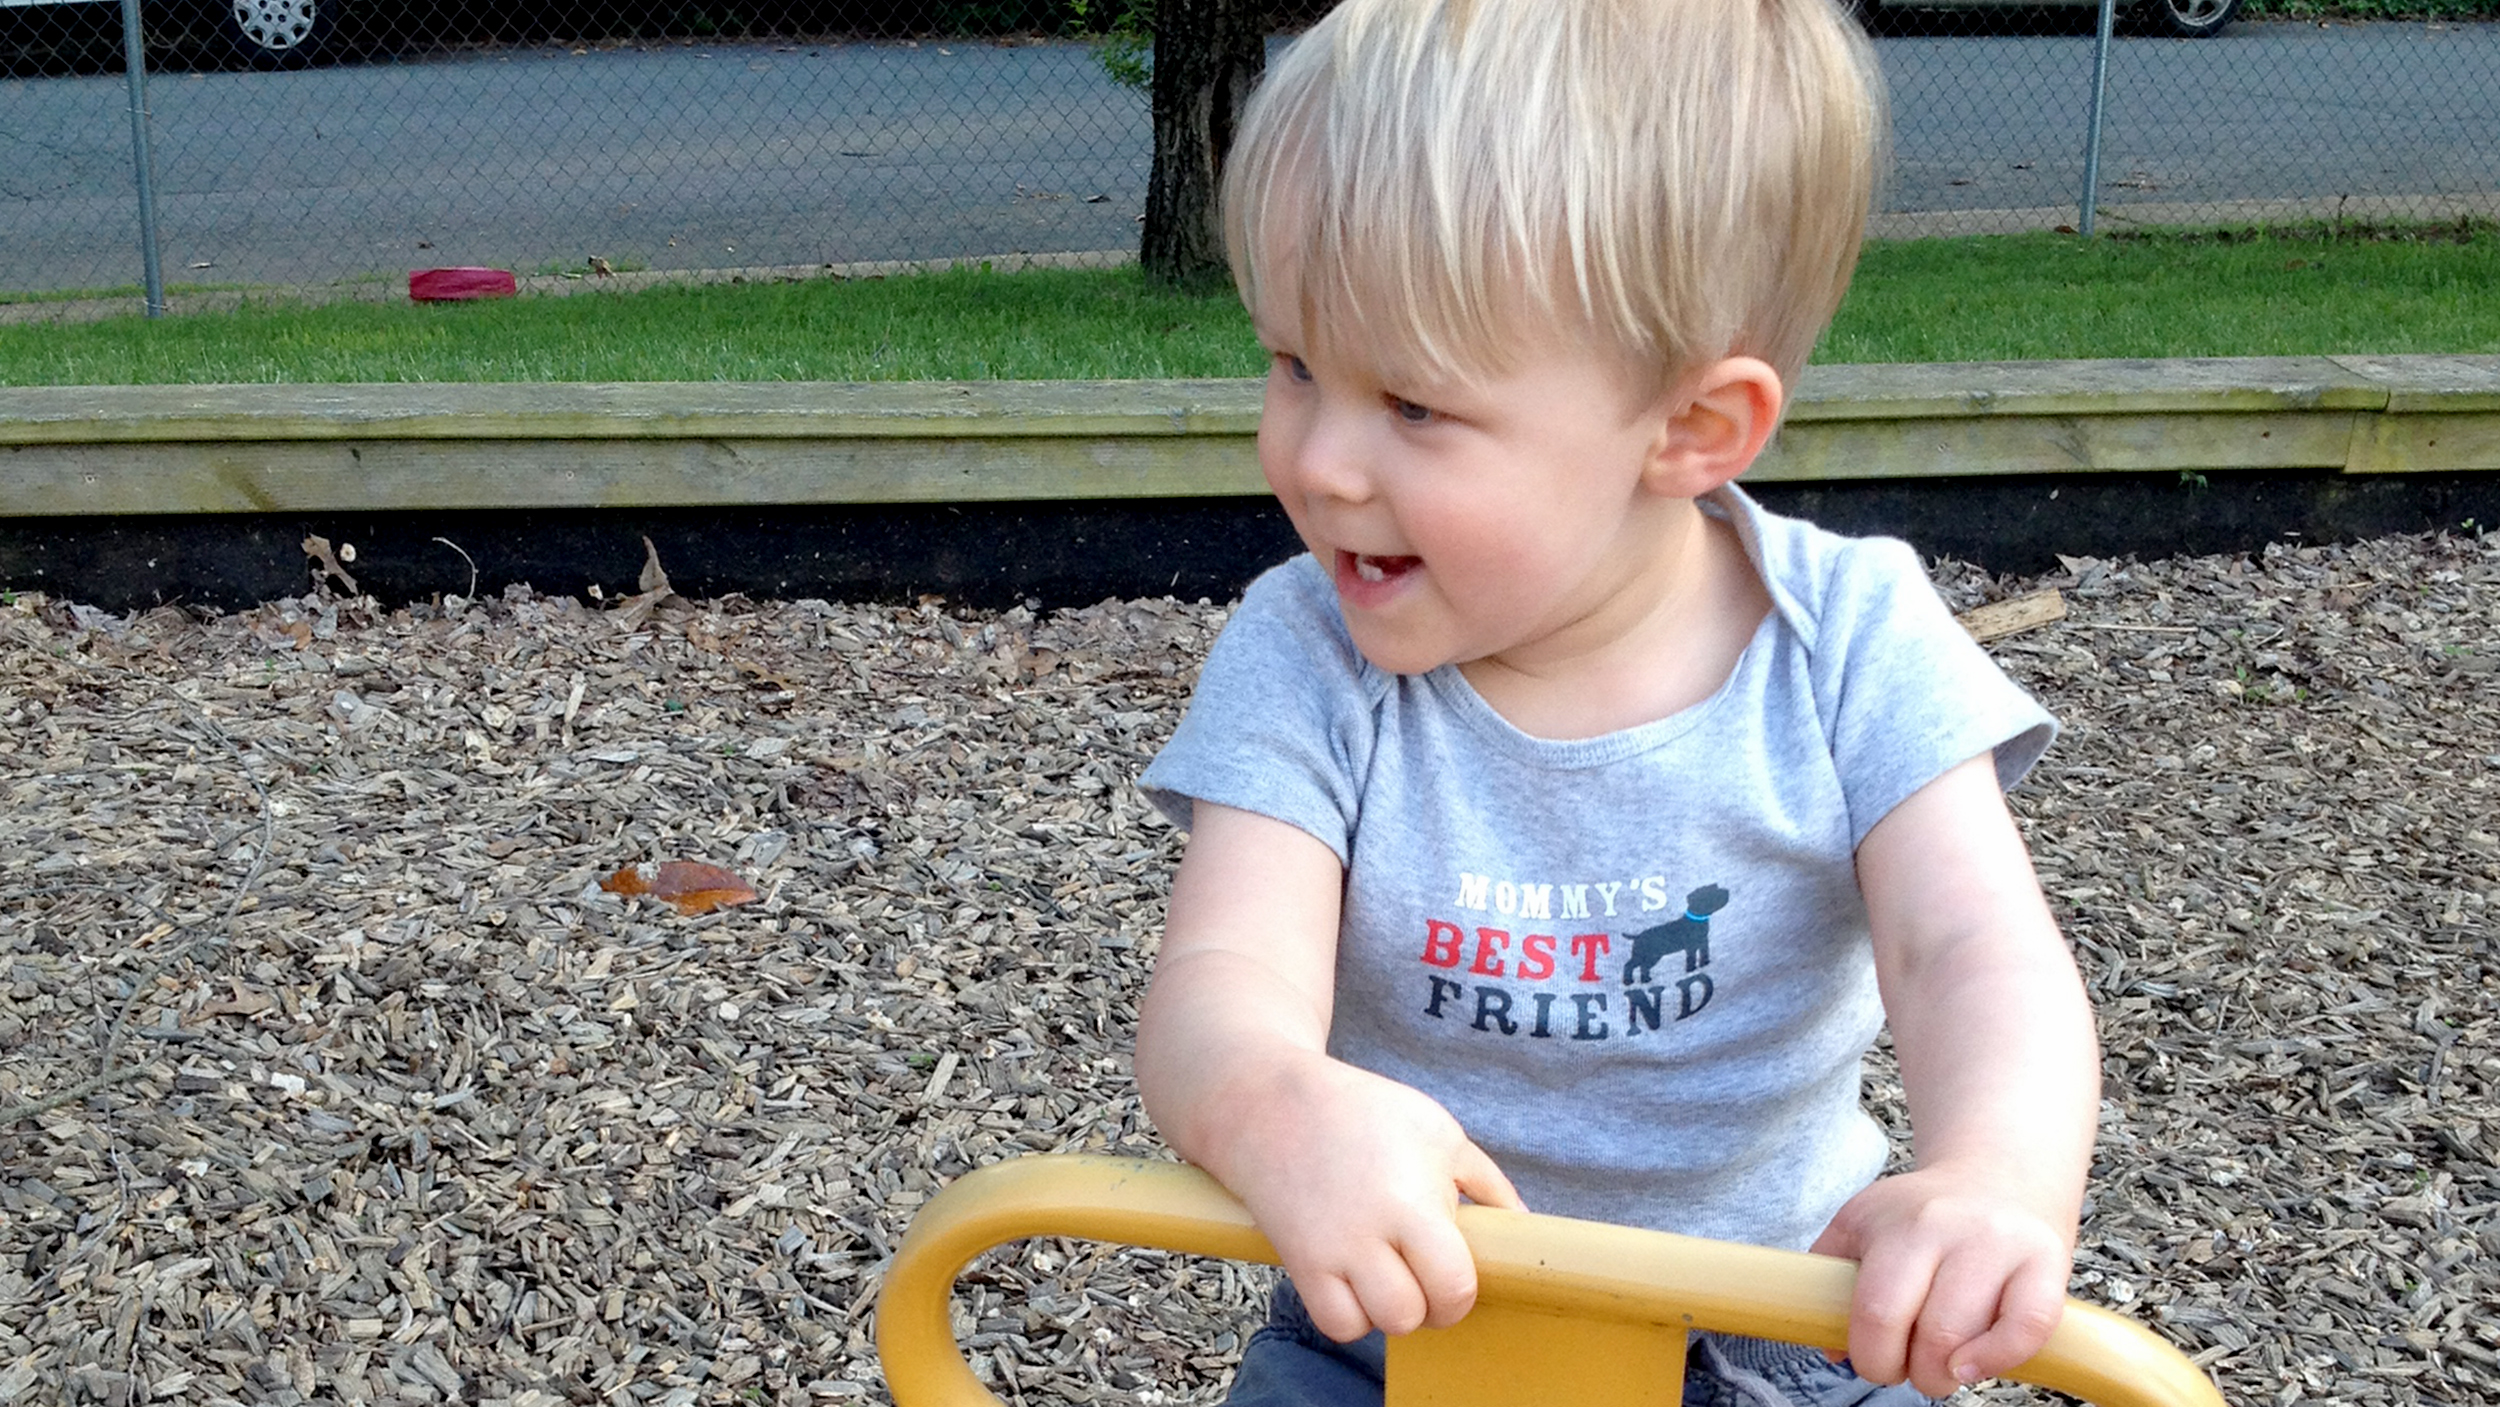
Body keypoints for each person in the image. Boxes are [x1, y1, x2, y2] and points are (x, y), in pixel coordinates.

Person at [1132, 0, 2101, 1404]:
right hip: (1406, 1322)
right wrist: (1273, 1101)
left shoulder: (1846, 643)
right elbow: (1225, 977)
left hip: (1784, 1327)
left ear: (1691, 432)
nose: (1320, 461)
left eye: (1412, 404)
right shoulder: (1311, 653)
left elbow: (1972, 950)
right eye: (1293, 365)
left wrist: (1994, 1180)